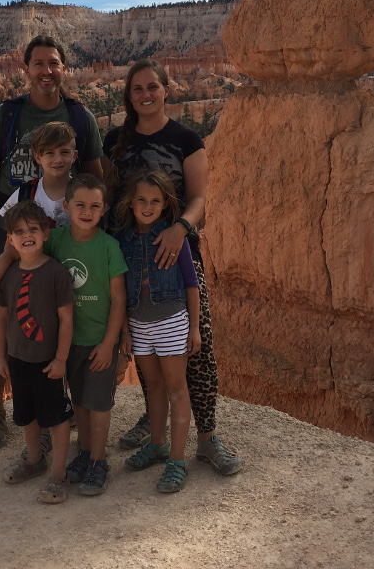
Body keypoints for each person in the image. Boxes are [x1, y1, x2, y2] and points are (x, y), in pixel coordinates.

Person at [103, 59, 244, 476]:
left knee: (197, 353)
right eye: (137, 90)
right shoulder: (115, 140)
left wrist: (180, 229)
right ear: (130, 97)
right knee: (146, 349)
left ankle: (207, 438)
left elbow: (199, 198)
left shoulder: (186, 139)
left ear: (167, 90)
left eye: (152, 87)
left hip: (176, 252)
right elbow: (109, 199)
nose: (145, 95)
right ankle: (158, 436)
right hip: (130, 259)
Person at [0, 36, 103, 450]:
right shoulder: (4, 115)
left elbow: (98, 180)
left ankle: (55, 406)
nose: (47, 71)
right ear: (26, 68)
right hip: (14, 230)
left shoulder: (80, 118)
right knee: (0, 319)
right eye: (39, 64)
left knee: (60, 315)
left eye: (55, 63)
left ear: (65, 68)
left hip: (66, 237)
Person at [115, 169, 200, 493]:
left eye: (155, 201)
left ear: (165, 204)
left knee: (177, 388)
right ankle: (158, 443)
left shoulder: (174, 236)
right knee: (153, 386)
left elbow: (191, 284)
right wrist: (125, 330)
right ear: (132, 203)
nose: (148, 206)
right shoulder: (123, 239)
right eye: (142, 200)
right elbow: (120, 289)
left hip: (171, 322)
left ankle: (177, 460)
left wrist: (193, 328)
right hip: (138, 324)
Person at [45, 174, 128, 496]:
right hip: (68, 342)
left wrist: (110, 343)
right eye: (80, 204)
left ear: (104, 209)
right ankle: (82, 452)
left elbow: (119, 298)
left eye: (95, 206)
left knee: (99, 403)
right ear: (66, 206)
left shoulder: (109, 246)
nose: (87, 211)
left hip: (98, 340)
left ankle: (98, 460)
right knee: (78, 398)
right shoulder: (56, 240)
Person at [0, 200, 75, 504]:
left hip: (48, 362)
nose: (26, 235)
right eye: (18, 231)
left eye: (33, 229)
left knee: (55, 417)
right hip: (17, 359)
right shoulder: (9, 275)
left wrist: (61, 359)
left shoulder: (56, 273)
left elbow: (67, 318)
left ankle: (58, 474)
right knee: (27, 414)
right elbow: (2, 318)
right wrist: (2, 357)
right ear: (11, 240)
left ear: (45, 234)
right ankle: (33, 459)